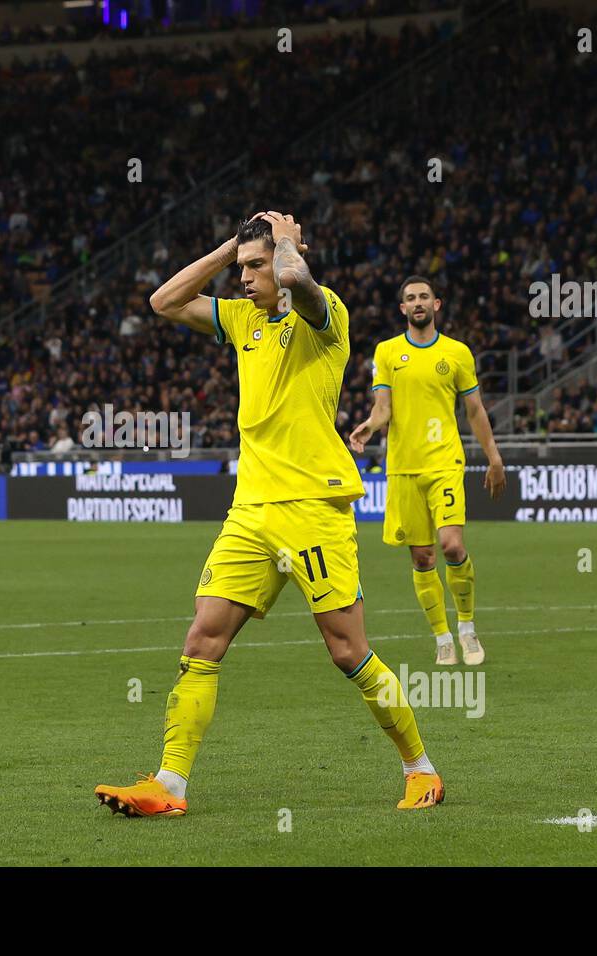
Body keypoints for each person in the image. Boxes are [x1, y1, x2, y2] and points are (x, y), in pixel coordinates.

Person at [95, 211, 442, 817]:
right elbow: (164, 301)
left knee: (346, 650)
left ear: (286, 256)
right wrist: (232, 246)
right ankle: (168, 786)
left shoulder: (323, 315)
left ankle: (421, 769)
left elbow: (302, 287)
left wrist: (284, 248)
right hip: (251, 510)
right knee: (202, 640)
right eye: (242, 269)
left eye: (256, 268)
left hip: (314, 507)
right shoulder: (242, 319)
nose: (246, 278)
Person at [349, 276, 506, 666]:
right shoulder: (386, 352)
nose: (418, 302)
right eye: (410, 298)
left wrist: (494, 457)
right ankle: (442, 638)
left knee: (451, 545)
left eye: (424, 296)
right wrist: (370, 424)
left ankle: (467, 629)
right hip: (403, 467)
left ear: (437, 304)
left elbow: (474, 410)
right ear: (402, 309)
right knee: (422, 558)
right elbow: (383, 406)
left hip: (444, 461)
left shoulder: (457, 353)